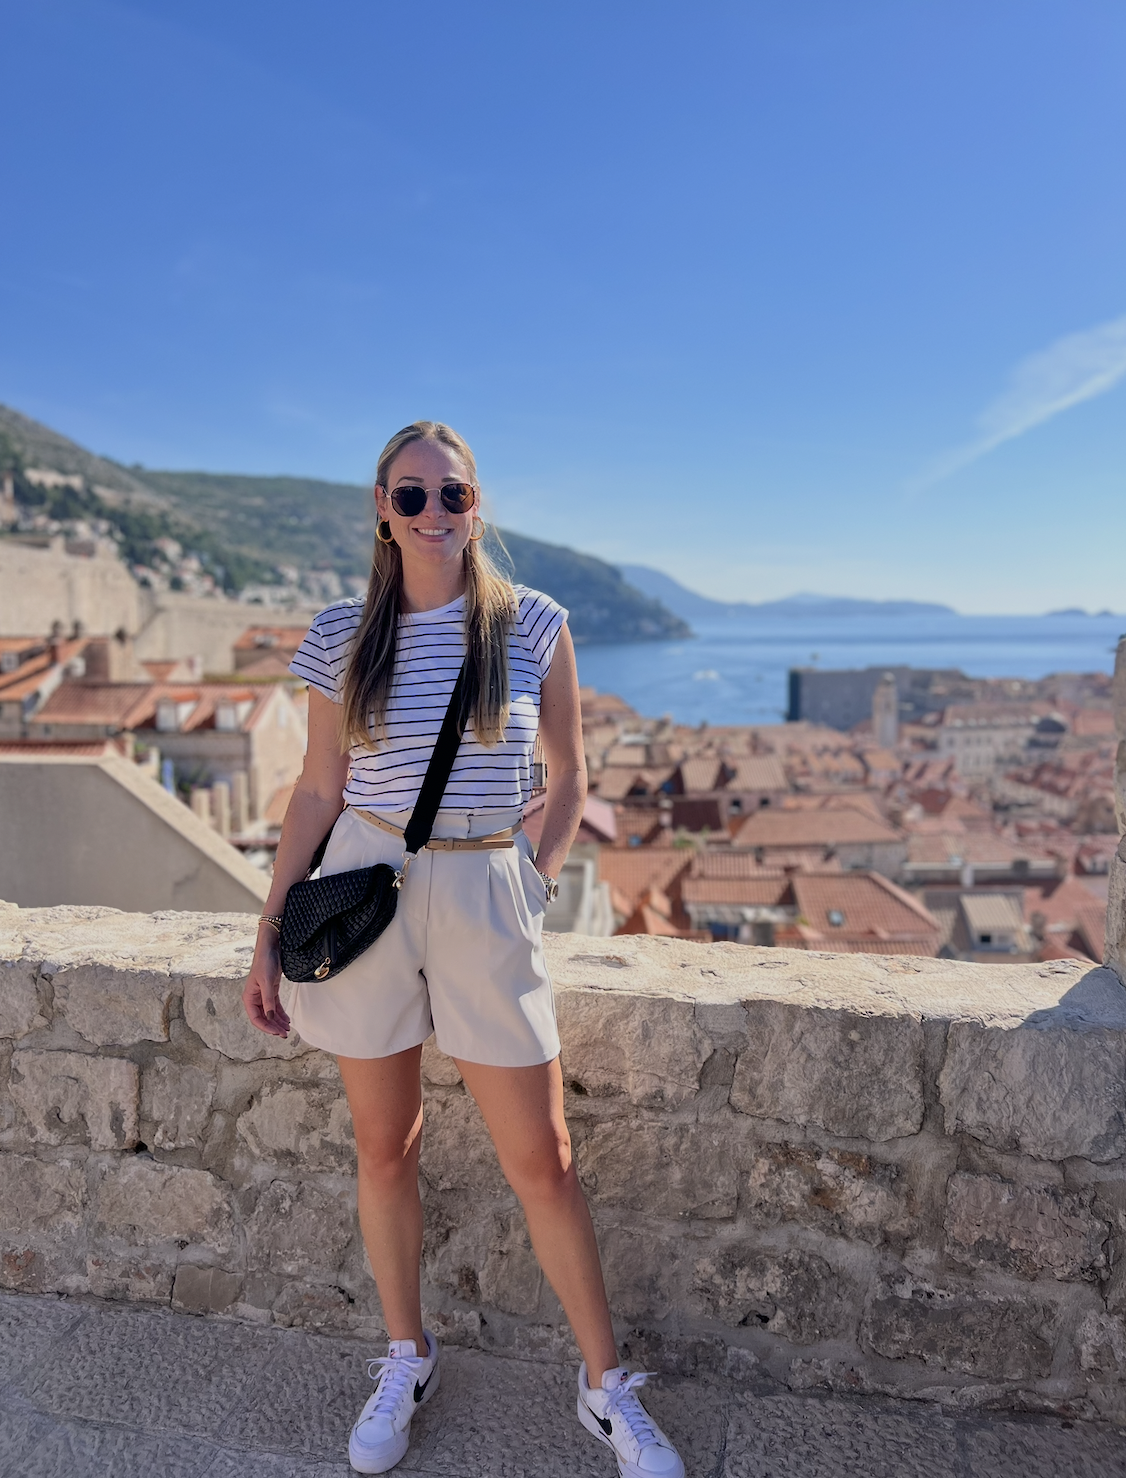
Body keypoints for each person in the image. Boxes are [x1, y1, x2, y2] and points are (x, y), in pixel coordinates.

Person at [242, 422, 685, 1478]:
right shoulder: (341, 632)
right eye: (412, 495)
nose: (434, 512)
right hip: (366, 888)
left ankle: (602, 1384)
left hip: (488, 885)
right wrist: (266, 932)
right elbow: (316, 788)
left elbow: (569, 776)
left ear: (477, 506)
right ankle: (406, 1352)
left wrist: (525, 881)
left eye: (454, 494)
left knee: (544, 1158)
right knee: (383, 1145)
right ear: (382, 513)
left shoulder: (531, 624)